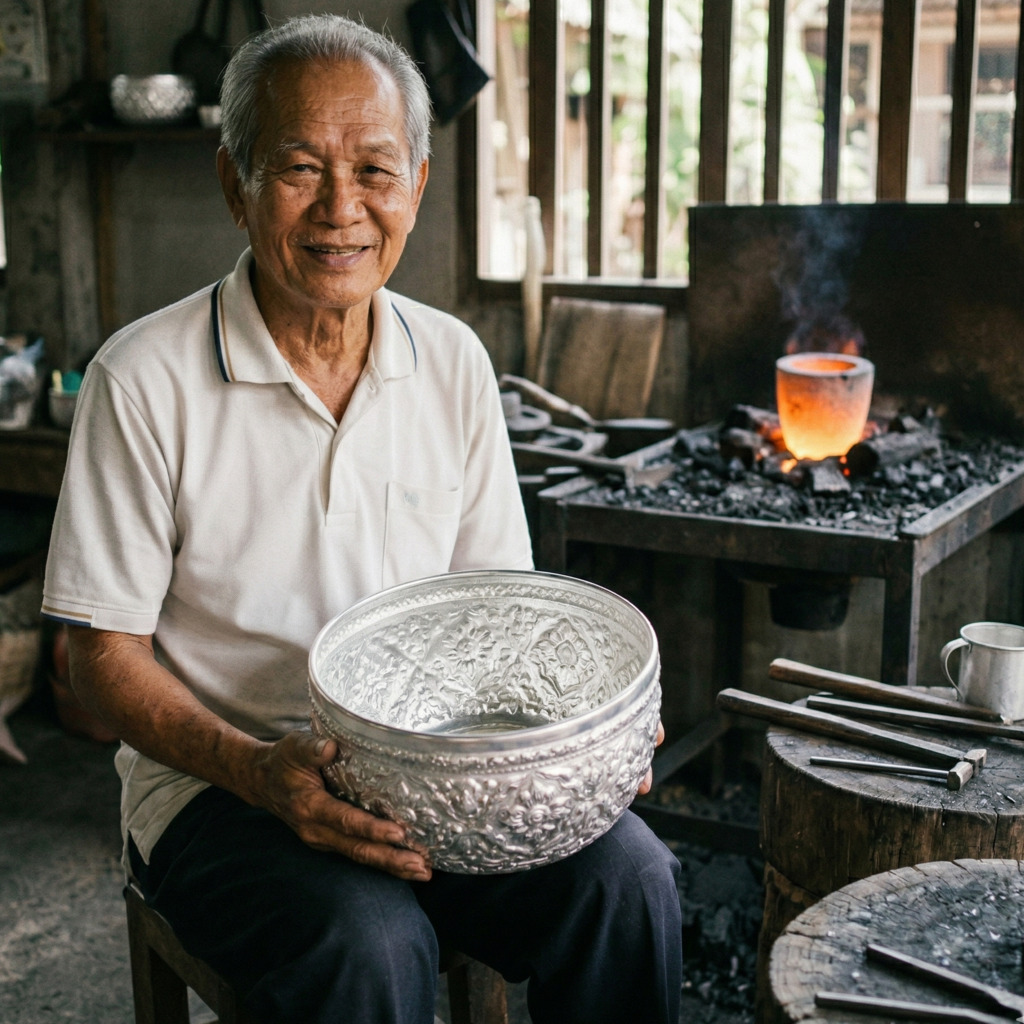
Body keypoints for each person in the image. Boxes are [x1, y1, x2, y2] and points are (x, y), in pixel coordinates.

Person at [42, 14, 682, 1024]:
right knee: (371, 939)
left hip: (439, 772)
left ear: (418, 186)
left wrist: (582, 743)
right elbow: (95, 659)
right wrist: (260, 772)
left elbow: (506, 619)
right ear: (234, 184)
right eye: (299, 167)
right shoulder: (144, 377)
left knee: (629, 880)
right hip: (223, 784)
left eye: (376, 170)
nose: (342, 208)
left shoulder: (454, 361)